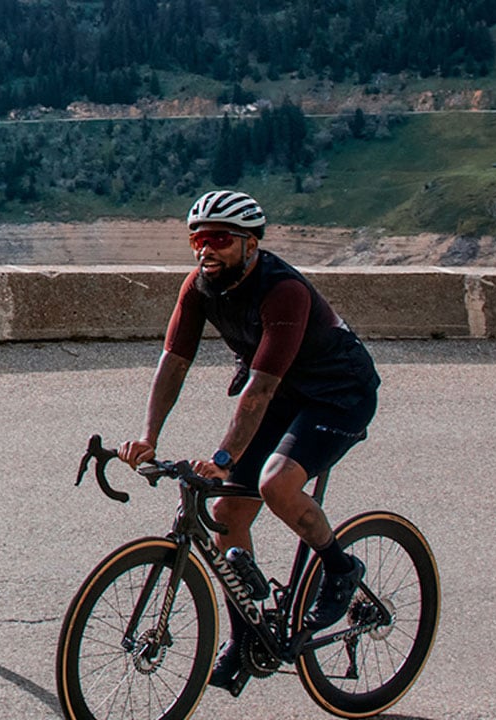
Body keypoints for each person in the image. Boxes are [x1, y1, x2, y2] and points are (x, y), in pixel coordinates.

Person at [117, 190, 380, 693]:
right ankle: (245, 639)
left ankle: (340, 567)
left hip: (338, 393)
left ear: (250, 244)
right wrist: (148, 437)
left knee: (277, 484)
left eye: (218, 239)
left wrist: (222, 458)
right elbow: (173, 362)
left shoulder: (284, 291)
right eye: (197, 238)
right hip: (284, 391)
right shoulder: (198, 286)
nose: (204, 250)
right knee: (227, 516)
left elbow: (259, 391)